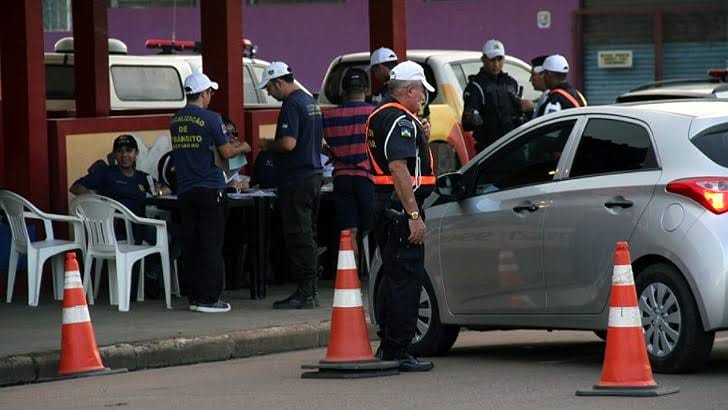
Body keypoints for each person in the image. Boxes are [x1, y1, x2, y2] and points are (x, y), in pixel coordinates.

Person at [366, 61, 436, 372]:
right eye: (421, 92)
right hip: (398, 208)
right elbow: (398, 168)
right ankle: (399, 350)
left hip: (385, 205)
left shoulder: (383, 115)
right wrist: (414, 215)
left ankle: (390, 346)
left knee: (394, 278)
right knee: (406, 280)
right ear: (409, 90)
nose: (423, 98)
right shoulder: (401, 121)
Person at [171, 71, 250, 313]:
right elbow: (226, 153)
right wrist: (244, 146)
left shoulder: (175, 120)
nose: (210, 96)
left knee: (192, 244)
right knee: (211, 245)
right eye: (210, 92)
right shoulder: (212, 118)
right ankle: (210, 298)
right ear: (203, 93)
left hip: (185, 190)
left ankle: (195, 297)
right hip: (210, 189)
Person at [70, 134, 171, 298]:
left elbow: (163, 189)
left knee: (179, 235)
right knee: (168, 238)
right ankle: (148, 281)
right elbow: (75, 187)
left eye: (129, 151)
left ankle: (150, 275)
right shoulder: (105, 173)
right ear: (114, 155)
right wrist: (97, 202)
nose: (124, 155)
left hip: (139, 225)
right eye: (120, 151)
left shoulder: (142, 177)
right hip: (114, 229)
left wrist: (160, 191)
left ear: (136, 153)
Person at [258, 61, 323, 309]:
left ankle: (306, 293)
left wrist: (267, 145)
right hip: (314, 177)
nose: (268, 93)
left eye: (269, 88)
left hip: (297, 179)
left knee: (298, 236)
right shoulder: (310, 102)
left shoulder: (292, 104)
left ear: (279, 83)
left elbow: (288, 143)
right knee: (309, 234)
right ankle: (311, 290)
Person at [322, 68, 375, 272]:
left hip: (342, 179)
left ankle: (351, 276)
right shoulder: (374, 113)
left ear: (343, 89)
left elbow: (320, 145)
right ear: (367, 89)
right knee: (370, 231)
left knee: (349, 230)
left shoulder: (329, 117)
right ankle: (370, 276)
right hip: (367, 179)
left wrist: (332, 152)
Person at [461, 39, 533, 153]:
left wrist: (528, 108)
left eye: (499, 59)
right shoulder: (476, 86)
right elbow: (466, 124)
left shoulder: (511, 83)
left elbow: (522, 114)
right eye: (492, 59)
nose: (496, 64)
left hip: (513, 146)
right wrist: (472, 118)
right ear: (483, 59)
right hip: (489, 150)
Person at [529, 55, 549, 120]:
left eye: (533, 75)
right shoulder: (545, 96)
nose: (530, 79)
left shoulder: (553, 97)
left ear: (543, 74)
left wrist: (533, 108)